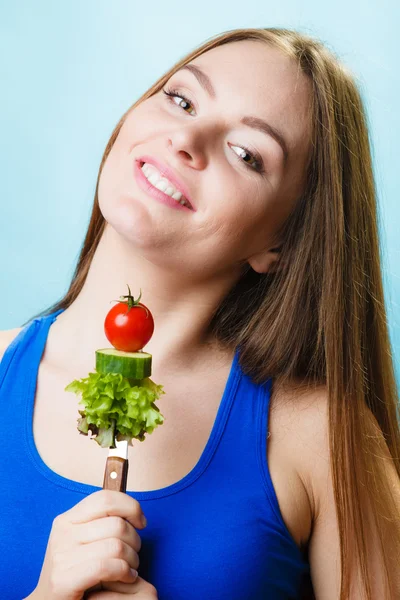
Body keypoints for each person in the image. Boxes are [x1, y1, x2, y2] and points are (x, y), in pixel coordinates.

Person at [0, 26, 399, 600]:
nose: (188, 137)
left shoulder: (320, 436)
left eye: (247, 154)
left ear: (280, 243)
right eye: (181, 99)